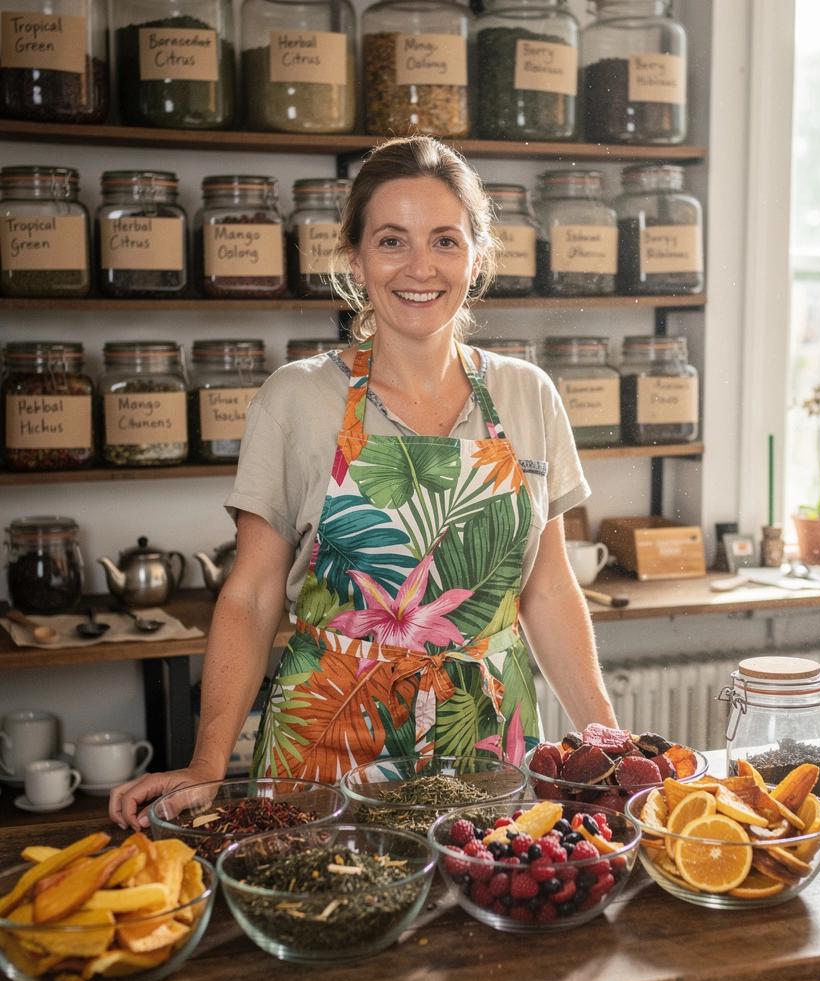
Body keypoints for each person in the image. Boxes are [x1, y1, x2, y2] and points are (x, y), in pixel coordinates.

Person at [110, 136, 617, 829]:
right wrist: (207, 764)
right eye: (391, 241)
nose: (420, 268)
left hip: (484, 743)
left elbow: (549, 589)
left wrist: (609, 749)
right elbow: (254, 594)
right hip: (325, 744)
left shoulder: (527, 395)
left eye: (444, 241)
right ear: (354, 258)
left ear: (477, 254)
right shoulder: (297, 399)